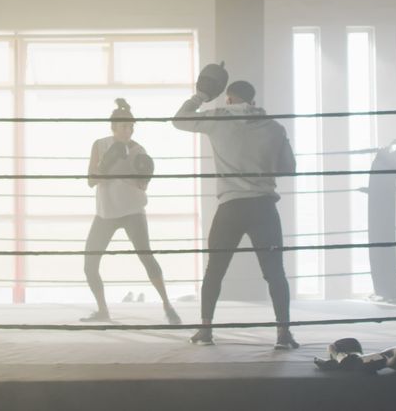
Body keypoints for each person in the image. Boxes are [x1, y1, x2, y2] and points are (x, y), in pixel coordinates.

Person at [173, 79, 299, 349]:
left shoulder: (219, 118)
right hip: (264, 206)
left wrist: (201, 96)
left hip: (230, 206)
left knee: (214, 270)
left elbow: (179, 120)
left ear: (229, 99)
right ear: (252, 101)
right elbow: (289, 168)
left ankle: (205, 331)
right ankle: (283, 335)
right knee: (275, 272)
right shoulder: (275, 127)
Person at [81, 98, 181, 325]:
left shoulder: (139, 150)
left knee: (146, 256)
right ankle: (103, 310)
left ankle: (167, 304)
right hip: (105, 212)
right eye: (125, 127)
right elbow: (90, 181)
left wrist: (137, 173)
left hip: (132, 210)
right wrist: (106, 165)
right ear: (113, 127)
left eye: (131, 127)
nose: (129, 131)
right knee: (89, 264)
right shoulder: (99, 145)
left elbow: (142, 185)